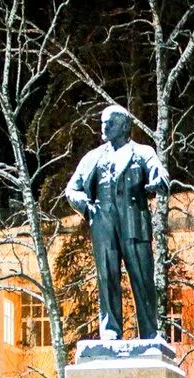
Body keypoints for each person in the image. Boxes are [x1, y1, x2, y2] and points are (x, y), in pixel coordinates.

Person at [65, 105, 170, 340]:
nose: (104, 127)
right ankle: (110, 330)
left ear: (124, 126)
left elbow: (159, 171)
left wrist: (159, 182)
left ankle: (149, 332)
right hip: (103, 224)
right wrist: (87, 207)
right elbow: (71, 189)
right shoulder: (92, 158)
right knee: (107, 278)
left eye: (109, 123)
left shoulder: (142, 152)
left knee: (142, 278)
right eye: (103, 122)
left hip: (134, 224)